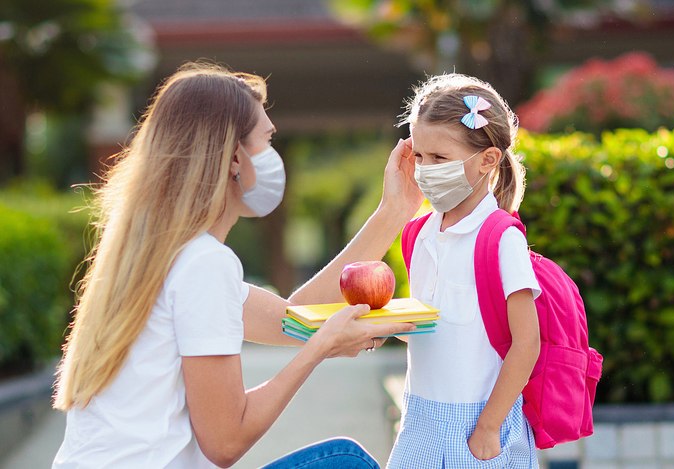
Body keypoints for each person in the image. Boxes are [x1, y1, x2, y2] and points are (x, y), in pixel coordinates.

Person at [51, 62, 423, 468]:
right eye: (266, 140)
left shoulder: (161, 254)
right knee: (344, 462)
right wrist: (318, 350)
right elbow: (225, 443)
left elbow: (295, 318)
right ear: (233, 157)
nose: (273, 156)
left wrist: (394, 212)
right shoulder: (202, 264)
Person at [387, 74, 542, 468]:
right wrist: (381, 327)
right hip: (419, 421)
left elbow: (527, 343)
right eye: (419, 156)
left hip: (480, 426)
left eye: (439, 158)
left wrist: (488, 428)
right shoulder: (417, 234)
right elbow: (439, 328)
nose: (424, 169)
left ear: (487, 159)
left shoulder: (501, 238)